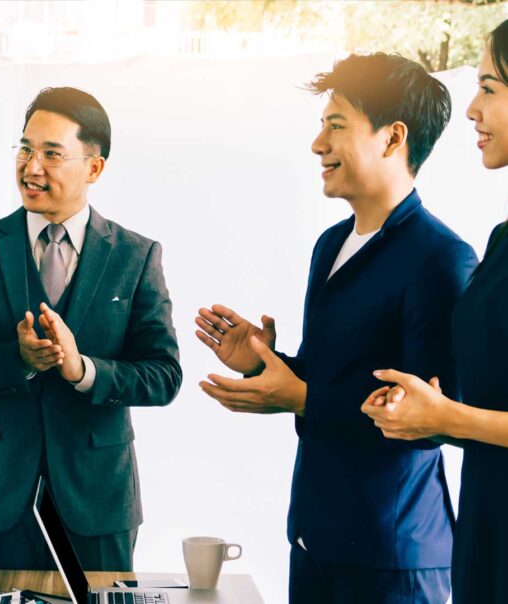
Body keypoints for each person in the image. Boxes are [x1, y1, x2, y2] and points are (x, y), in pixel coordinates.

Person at [196, 54, 477, 602]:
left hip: (392, 556)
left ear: (392, 138)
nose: (317, 144)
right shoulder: (331, 244)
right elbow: (342, 376)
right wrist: (265, 362)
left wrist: (300, 396)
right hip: (316, 538)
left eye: (336, 125)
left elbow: (436, 416)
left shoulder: (441, 259)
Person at [0, 87, 181, 571]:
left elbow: (164, 375)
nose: (31, 166)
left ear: (94, 168)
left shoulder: (137, 256)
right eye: (25, 149)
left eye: (51, 154)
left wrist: (84, 371)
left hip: (98, 499)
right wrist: (14, 360)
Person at [362, 19, 508, 603]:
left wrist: (447, 418)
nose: (471, 109)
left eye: (491, 88)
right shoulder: (500, 243)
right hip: (485, 527)